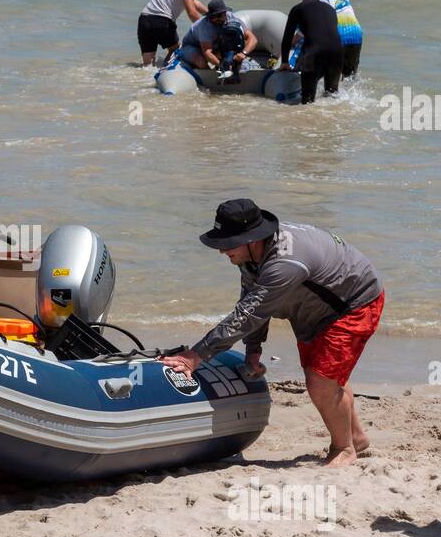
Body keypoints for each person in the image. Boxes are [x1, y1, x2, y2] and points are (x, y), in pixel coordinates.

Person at [160, 199, 384, 468]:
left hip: (352, 304)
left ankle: (344, 449)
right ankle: (356, 438)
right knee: (325, 375)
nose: (221, 250)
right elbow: (251, 299)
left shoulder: (284, 263)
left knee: (320, 382)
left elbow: (249, 314)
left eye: (228, 242)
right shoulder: (253, 255)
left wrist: (196, 355)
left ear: (251, 239)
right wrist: (253, 350)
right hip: (312, 307)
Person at [280, 0, 343, 104]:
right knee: (332, 98)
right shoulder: (330, 9)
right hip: (338, 53)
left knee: (307, 101)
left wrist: (285, 62)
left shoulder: (298, 9)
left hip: (314, 54)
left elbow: (287, 37)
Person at [137, 0, 206, 67]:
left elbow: (193, 1)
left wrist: (209, 13)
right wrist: (206, 27)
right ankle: (167, 71)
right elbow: (192, 13)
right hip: (161, 21)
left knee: (148, 63)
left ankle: (146, 79)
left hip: (144, 20)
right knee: (176, 49)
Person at [179, 0, 257, 73]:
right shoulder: (205, 26)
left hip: (214, 44)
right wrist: (222, 65)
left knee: (236, 47)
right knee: (201, 62)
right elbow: (207, 52)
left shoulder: (232, 19)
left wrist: (243, 53)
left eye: (219, 15)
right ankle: (210, 78)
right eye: (213, 16)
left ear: (225, 13)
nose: (216, 18)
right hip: (192, 46)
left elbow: (252, 39)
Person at [316, 0, 363, 78]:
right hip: (356, 33)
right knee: (350, 74)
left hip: (337, 35)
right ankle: (351, 94)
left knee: (330, 72)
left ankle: (328, 93)